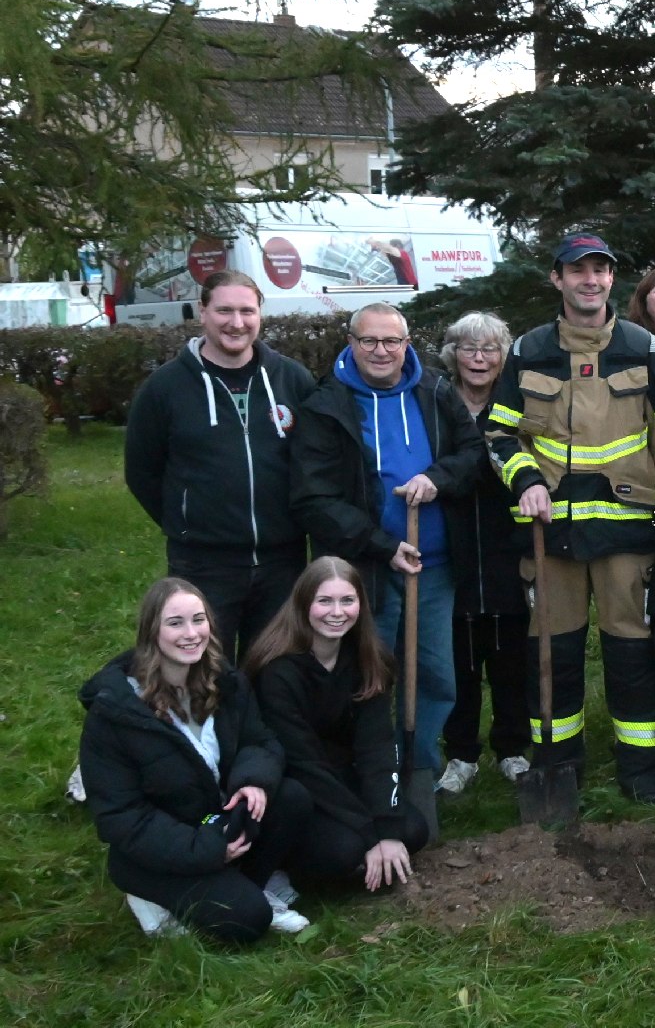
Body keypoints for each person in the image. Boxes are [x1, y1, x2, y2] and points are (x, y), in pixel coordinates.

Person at [486, 233, 655, 805]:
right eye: (577, 270)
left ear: (611, 280)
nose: (590, 280)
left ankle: (642, 770)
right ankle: (558, 766)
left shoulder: (642, 349)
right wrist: (526, 479)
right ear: (557, 279)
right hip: (548, 534)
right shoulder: (529, 351)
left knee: (631, 653)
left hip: (626, 532)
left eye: (600, 270)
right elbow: (500, 433)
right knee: (552, 655)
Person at [291, 302, 487, 829]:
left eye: (392, 341)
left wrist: (438, 479)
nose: (382, 351)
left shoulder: (436, 393)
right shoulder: (327, 405)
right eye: (370, 341)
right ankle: (372, 776)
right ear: (351, 342)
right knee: (368, 677)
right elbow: (313, 497)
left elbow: (473, 454)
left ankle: (419, 767)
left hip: (434, 567)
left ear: (407, 343)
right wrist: (380, 544)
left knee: (435, 675)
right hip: (364, 571)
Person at [78, 578, 313, 943]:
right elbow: (121, 816)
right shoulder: (115, 713)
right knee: (247, 921)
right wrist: (206, 849)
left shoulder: (226, 681)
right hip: (156, 848)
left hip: (211, 821)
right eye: (175, 623)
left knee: (291, 797)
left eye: (199, 620)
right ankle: (151, 895)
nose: (191, 634)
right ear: (151, 632)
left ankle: (246, 886)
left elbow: (260, 740)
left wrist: (253, 779)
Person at [123, 270, 315, 657]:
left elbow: (315, 461)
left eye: (247, 311)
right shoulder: (165, 388)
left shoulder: (292, 380)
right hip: (204, 565)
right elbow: (142, 471)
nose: (237, 323)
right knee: (206, 675)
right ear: (202, 312)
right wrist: (187, 521)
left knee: (275, 675)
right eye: (224, 310)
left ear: (261, 314)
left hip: (283, 561)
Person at [247, 558, 431, 892]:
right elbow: (304, 762)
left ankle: (366, 864)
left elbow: (376, 746)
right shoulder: (277, 672)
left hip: (347, 775)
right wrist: (368, 833)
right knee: (344, 850)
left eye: (347, 601)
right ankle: (289, 871)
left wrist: (385, 829)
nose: (337, 612)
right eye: (325, 601)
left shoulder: (368, 659)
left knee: (413, 830)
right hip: (298, 787)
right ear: (304, 605)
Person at [435, 312, 532, 793]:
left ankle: (513, 747)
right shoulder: (434, 403)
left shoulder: (515, 404)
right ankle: (461, 754)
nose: (478, 358)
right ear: (453, 354)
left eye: (490, 349)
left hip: (507, 543)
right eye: (468, 348)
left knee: (512, 652)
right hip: (450, 543)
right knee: (459, 656)